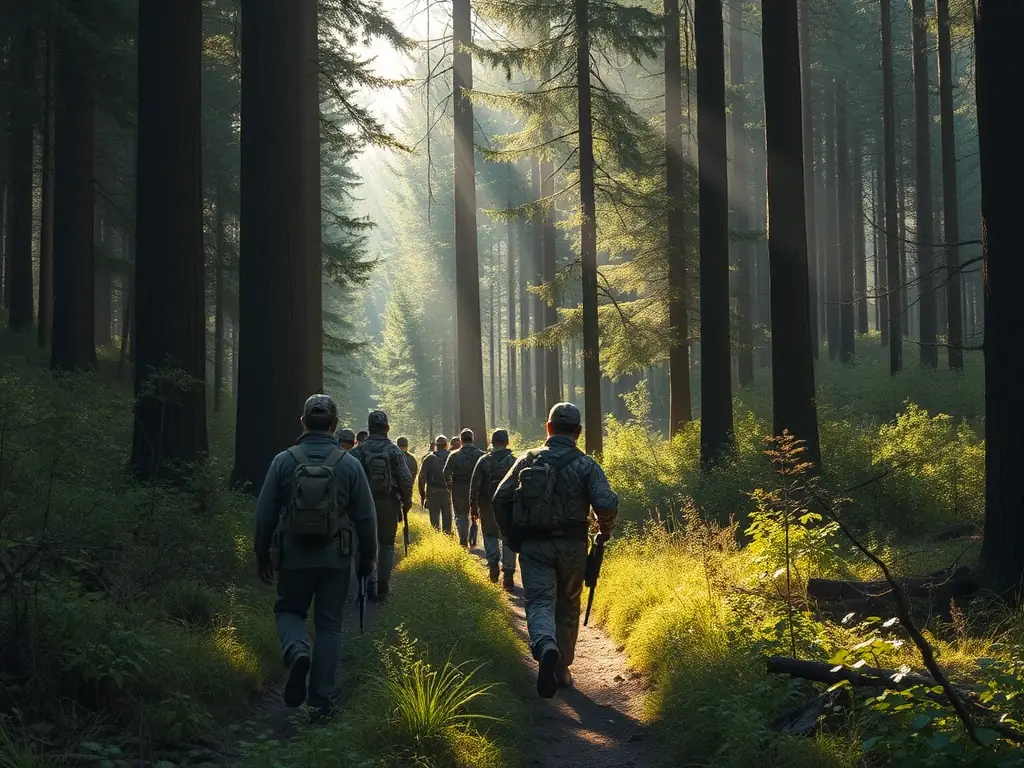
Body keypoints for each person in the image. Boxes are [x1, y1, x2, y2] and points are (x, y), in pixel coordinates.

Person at [253, 394, 377, 719]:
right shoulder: (349, 464)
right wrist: (368, 557)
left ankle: (297, 650)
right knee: (329, 625)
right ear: (334, 425)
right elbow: (366, 517)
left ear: (303, 422)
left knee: (289, 610)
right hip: (336, 558)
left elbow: (265, 513)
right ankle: (320, 703)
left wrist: (261, 553)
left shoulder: (283, 461)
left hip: (293, 556)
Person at [493, 403, 618, 699]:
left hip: (534, 545)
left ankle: (545, 645)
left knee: (539, 601)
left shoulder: (527, 459)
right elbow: (606, 502)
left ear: (548, 428)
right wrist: (604, 530)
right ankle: (562, 669)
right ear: (578, 432)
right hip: (573, 547)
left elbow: (500, 497)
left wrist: (510, 535)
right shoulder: (586, 465)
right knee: (568, 604)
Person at [348, 411, 413, 600]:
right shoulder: (394, 451)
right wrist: (406, 500)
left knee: (362, 543)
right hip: (388, 502)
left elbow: (349, 478)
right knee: (386, 544)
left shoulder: (357, 451)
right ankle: (382, 584)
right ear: (387, 428)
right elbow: (406, 478)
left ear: (369, 428)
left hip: (362, 503)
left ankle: (366, 582)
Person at [470, 429, 518, 589]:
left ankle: (492, 564)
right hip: (509, 506)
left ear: (492, 441)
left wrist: (473, 506)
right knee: (508, 537)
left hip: (487, 505)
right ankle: (509, 572)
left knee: (489, 534)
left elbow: (475, 485)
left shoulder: (483, 461)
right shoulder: (514, 461)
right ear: (507, 442)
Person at [443, 429, 484, 548]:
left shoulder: (454, 455)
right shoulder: (481, 455)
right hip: (477, 490)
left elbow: (445, 473)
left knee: (461, 514)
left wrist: (450, 487)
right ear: (472, 439)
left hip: (459, 489)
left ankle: (463, 539)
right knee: (476, 513)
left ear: (461, 440)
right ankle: (474, 538)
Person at [418, 436, 452, 532]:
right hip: (447, 492)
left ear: (436, 445)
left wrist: (423, 495)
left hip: (432, 492)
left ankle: (435, 536)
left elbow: (421, 478)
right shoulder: (452, 456)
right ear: (446, 445)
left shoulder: (429, 458)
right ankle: (447, 537)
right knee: (447, 519)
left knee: (434, 521)